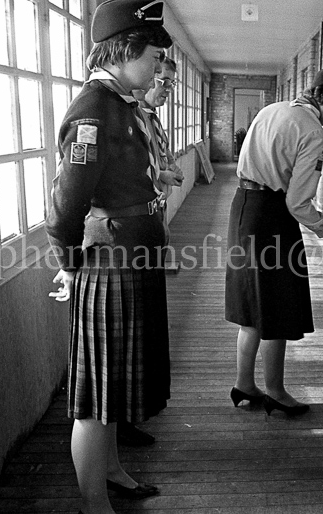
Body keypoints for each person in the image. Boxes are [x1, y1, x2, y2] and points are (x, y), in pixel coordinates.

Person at [46, 1, 173, 512]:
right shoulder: (94, 109)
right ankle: (94, 503)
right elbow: (65, 208)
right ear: (124, 50)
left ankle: (115, 471)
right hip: (108, 266)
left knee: (114, 388)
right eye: (153, 56)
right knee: (96, 397)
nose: (159, 68)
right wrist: (72, 266)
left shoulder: (122, 103)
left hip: (132, 258)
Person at [225, 65, 323, 416]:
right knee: (277, 309)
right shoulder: (312, 130)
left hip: (242, 208)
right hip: (271, 217)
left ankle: (244, 385)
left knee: (252, 308)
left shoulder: (274, 109)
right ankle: (275, 392)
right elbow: (298, 203)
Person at [117, 55, 184, 448]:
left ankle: (132, 412)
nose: (165, 89)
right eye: (162, 80)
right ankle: (120, 420)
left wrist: (166, 173)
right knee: (130, 331)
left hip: (151, 227)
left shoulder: (150, 119)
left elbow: (161, 161)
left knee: (145, 328)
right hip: (125, 239)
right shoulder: (125, 120)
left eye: (172, 84)